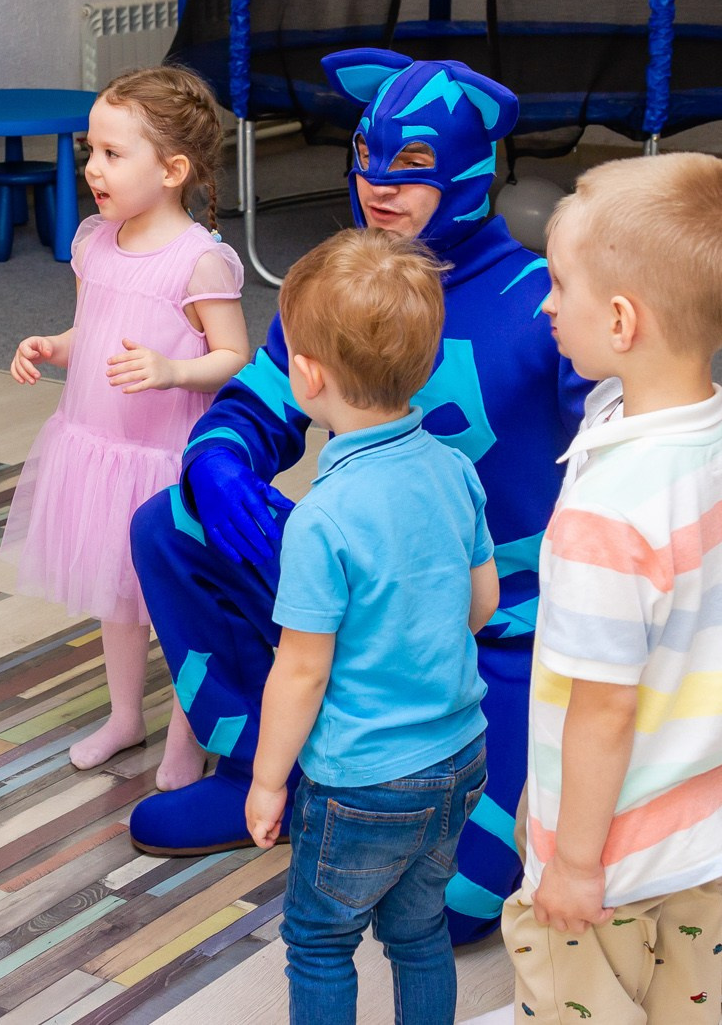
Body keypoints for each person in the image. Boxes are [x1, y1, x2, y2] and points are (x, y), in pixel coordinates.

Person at [129, 50, 585, 955]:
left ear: (471, 166)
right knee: (170, 523)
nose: (378, 182)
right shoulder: (340, 285)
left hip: (502, 625)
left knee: (451, 908)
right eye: (367, 155)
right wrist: (218, 460)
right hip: (363, 591)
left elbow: (643, 425)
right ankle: (273, 765)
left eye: (411, 163)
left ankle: (376, 777)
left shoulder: (546, 303)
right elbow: (255, 404)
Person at [500, 153, 722, 1023]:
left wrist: (574, 864)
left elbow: (604, 707)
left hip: (605, 842)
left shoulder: (611, 511)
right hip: (699, 823)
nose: (545, 305)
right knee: (681, 999)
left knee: (572, 991)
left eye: (559, 284)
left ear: (621, 320)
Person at [245, 230, 499, 1025]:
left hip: (363, 779)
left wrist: (266, 778)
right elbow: (482, 603)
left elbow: (302, 670)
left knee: (321, 942)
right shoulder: (455, 469)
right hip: (460, 756)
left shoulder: (322, 518)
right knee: (419, 931)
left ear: (307, 375)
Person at [4, 66, 247, 785]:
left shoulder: (199, 260)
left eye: (113, 153)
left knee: (178, 604)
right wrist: (53, 347)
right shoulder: (95, 242)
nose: (93, 168)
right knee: (117, 595)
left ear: (172, 170)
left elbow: (235, 356)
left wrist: (173, 370)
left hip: (161, 458)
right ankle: (123, 716)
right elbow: (93, 328)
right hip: (96, 448)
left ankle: (188, 735)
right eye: (92, 150)